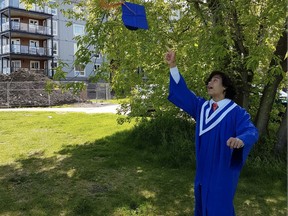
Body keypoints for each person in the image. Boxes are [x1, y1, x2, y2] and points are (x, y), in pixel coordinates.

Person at [165, 50, 259, 216]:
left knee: (219, 207)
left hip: (223, 170)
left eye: (215, 80)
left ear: (224, 88)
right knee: (201, 206)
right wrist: (173, 66)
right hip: (203, 170)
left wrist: (241, 140)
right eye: (209, 80)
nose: (210, 82)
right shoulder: (203, 108)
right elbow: (183, 94)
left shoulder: (236, 112)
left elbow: (251, 131)